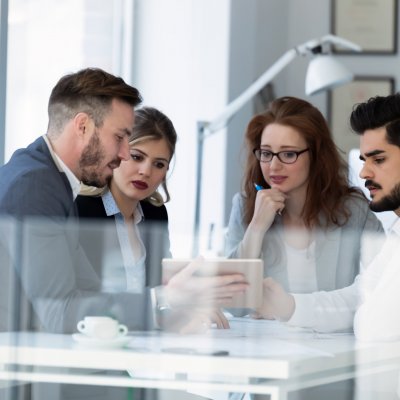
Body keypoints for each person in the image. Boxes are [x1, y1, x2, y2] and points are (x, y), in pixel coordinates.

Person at [0, 67, 247, 335]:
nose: (125, 153)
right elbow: (60, 312)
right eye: (119, 137)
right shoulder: (35, 185)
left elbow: (89, 290)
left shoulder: (49, 178)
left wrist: (171, 311)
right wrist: (165, 298)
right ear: (82, 126)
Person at [225, 96, 384, 323]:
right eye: (267, 153)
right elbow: (234, 305)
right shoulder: (245, 205)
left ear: (316, 156)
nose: (274, 166)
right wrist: (256, 229)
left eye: (288, 154)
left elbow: (385, 285)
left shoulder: (352, 209)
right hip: (268, 344)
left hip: (333, 344)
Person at [77, 106, 229, 329]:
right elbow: (82, 299)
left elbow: (161, 291)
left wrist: (189, 307)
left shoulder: (154, 213)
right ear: (118, 152)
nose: (146, 171)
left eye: (159, 164)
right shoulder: (82, 210)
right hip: (95, 337)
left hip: (141, 339)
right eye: (137, 157)